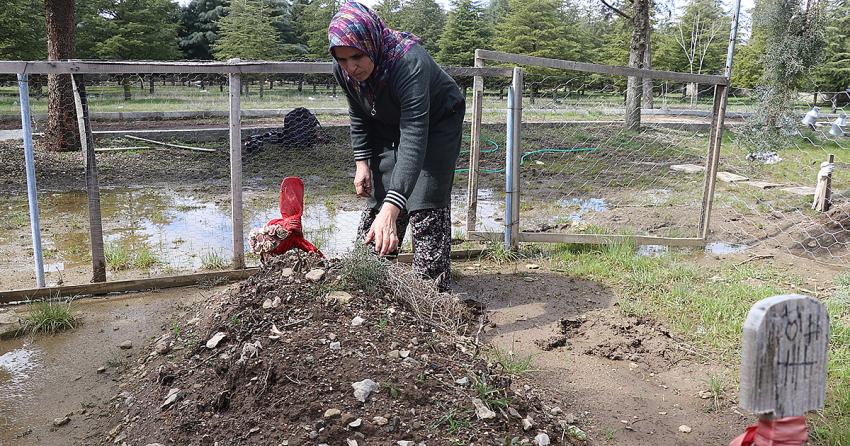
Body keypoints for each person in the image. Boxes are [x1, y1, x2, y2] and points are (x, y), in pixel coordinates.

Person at [328, 1, 465, 291]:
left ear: (371, 44)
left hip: (437, 121)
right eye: (342, 59)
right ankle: (374, 282)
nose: (350, 67)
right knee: (381, 191)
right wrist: (362, 161)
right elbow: (358, 111)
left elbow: (415, 134)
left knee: (425, 195)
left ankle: (431, 289)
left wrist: (393, 207)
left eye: (357, 56)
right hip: (386, 119)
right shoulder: (344, 70)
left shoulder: (408, 63)